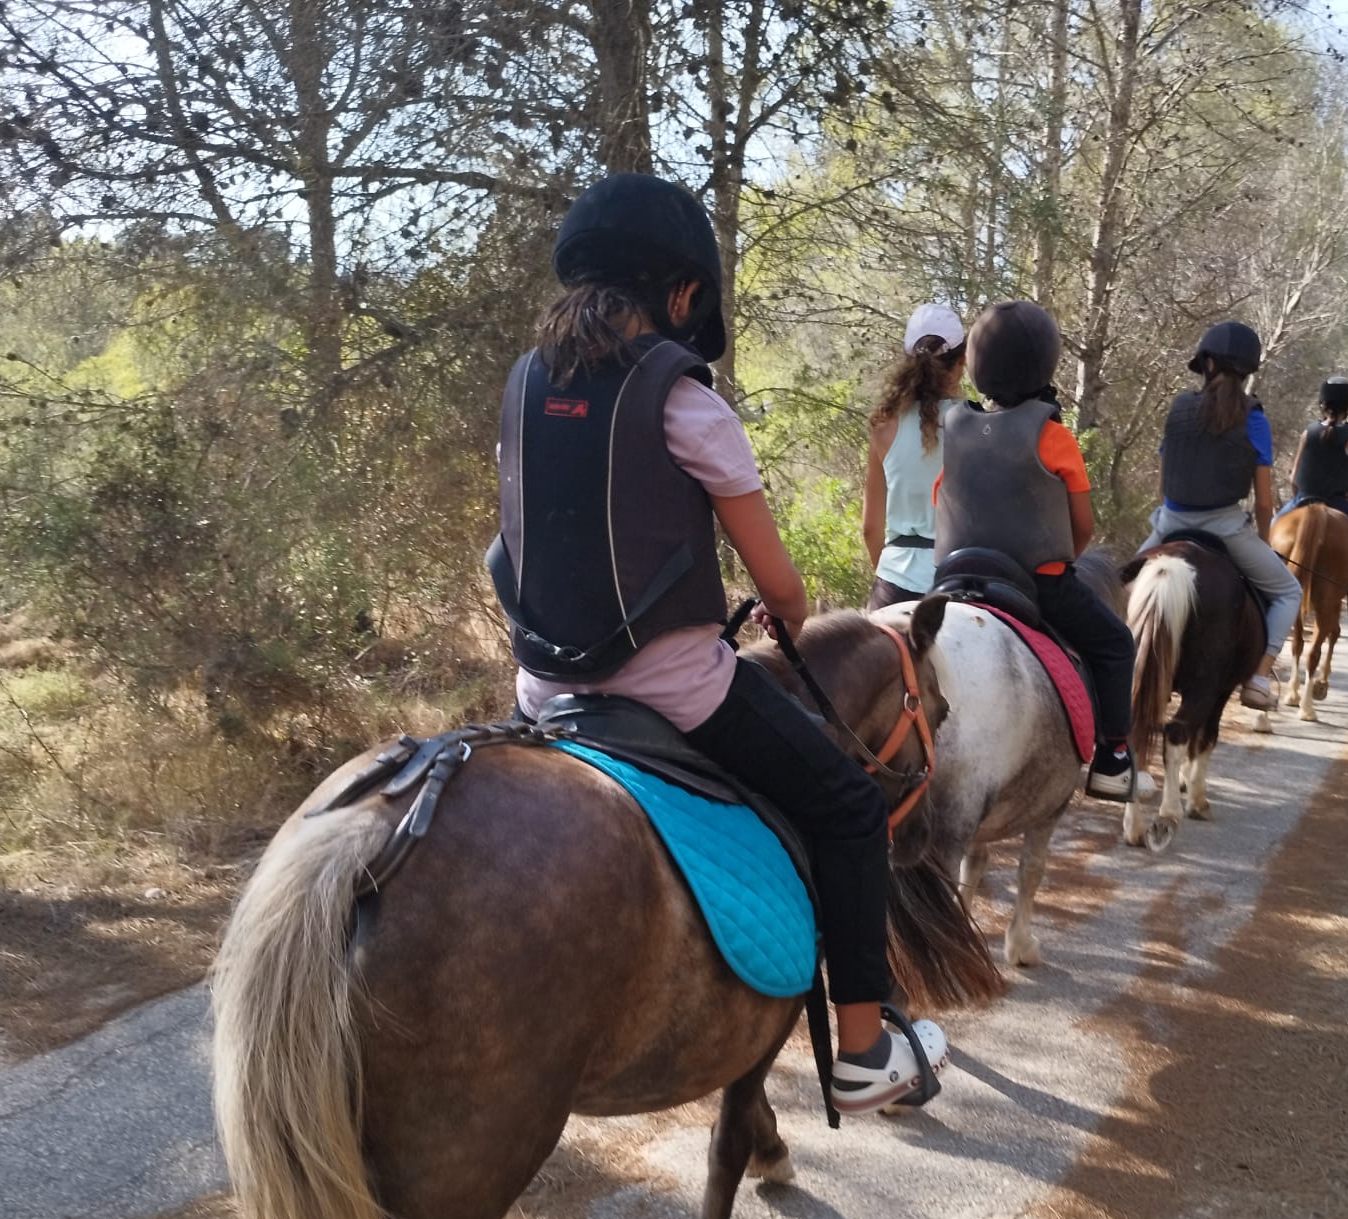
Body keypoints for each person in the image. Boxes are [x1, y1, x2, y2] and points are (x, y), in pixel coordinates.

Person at [486, 173, 945, 1115]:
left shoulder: (525, 385)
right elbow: (780, 588)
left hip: (541, 691)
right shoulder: (686, 402)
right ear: (684, 293)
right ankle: (863, 1051)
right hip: (675, 689)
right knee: (849, 811)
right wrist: (786, 613)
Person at [933, 300, 1144, 801]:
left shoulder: (955, 430)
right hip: (1039, 585)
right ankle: (1113, 759)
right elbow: (1081, 526)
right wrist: (1059, 558)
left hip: (952, 581)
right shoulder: (1052, 435)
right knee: (1116, 643)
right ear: (1044, 364)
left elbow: (941, 500)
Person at [1138, 321, 1303, 712]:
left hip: (1170, 522)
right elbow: (1264, 501)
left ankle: (1116, 671)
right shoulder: (1254, 418)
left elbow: (1163, 481)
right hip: (1226, 527)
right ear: (1247, 371)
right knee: (1288, 592)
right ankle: (1259, 679)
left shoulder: (1179, 409)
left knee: (1118, 586)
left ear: (1208, 364)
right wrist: (1264, 541)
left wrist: (1170, 517)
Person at [862, 304, 966, 610]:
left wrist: (887, 576)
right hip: (957, 578)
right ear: (962, 362)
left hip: (894, 582)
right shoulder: (975, 424)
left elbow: (870, 529)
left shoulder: (883, 428)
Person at [1280, 376, 1348, 615]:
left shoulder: (1307, 433)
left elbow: (1294, 477)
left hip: (1302, 498)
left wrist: (1297, 500)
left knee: (1272, 528)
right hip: (1336, 502)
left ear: (1322, 404)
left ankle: (1264, 590)